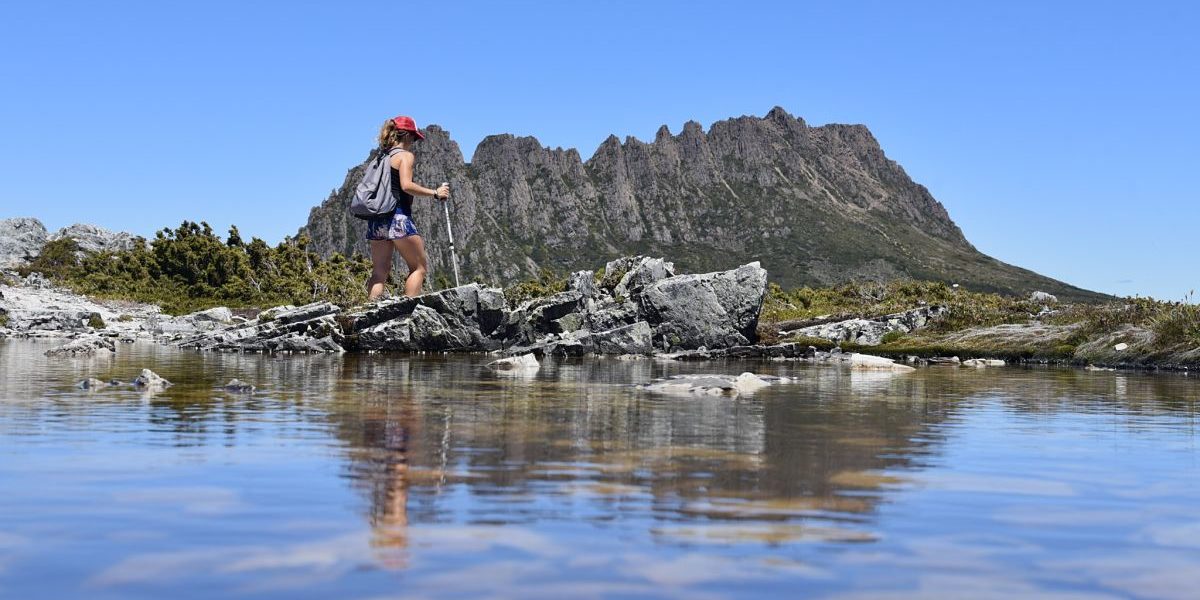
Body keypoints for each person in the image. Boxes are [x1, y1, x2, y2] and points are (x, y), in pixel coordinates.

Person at [365, 115, 451, 300]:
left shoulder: (379, 158)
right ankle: (407, 311)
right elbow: (406, 185)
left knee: (379, 272)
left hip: (376, 220)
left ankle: (369, 310)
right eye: (413, 137)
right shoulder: (405, 156)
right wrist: (435, 193)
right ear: (406, 135)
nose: (414, 142)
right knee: (419, 268)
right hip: (398, 218)